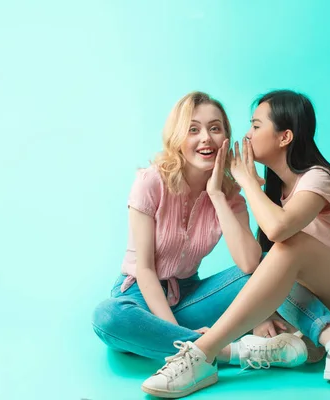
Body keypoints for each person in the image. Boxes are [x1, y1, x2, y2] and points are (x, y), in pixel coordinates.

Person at [142, 90, 330, 398]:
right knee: (269, 266)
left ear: (284, 137)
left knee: (291, 246)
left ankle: (200, 354)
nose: (246, 134)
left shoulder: (318, 178)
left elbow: (280, 231)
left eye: (256, 126)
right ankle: (310, 347)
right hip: (328, 307)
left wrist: (244, 179)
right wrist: (266, 315)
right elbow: (258, 266)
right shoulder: (278, 192)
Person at [91, 91, 315, 367]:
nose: (206, 138)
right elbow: (146, 270)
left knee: (272, 266)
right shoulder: (151, 182)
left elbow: (249, 264)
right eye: (193, 129)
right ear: (178, 138)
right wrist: (177, 332)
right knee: (108, 316)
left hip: (192, 298)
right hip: (140, 298)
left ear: (225, 138)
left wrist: (218, 195)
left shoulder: (230, 195)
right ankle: (229, 352)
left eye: (215, 128)